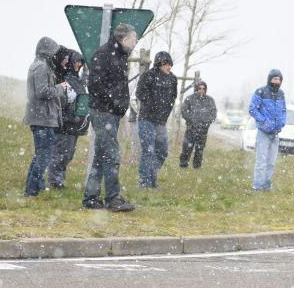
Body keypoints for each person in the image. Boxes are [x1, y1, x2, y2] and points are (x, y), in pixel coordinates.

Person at [83, 23, 137, 212]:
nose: (134, 43)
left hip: (111, 114)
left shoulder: (121, 57)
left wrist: (120, 106)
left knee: (100, 156)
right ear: (123, 39)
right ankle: (113, 198)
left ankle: (90, 197)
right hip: (103, 112)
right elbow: (95, 84)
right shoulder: (104, 54)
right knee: (112, 155)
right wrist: (114, 103)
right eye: (132, 39)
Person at [23, 37, 68, 196]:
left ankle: (34, 188)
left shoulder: (38, 65)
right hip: (43, 118)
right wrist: (60, 88)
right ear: (47, 51)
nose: (55, 55)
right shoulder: (41, 67)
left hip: (40, 117)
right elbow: (42, 92)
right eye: (54, 52)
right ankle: (32, 191)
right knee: (43, 157)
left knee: (40, 155)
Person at [135, 51, 178, 188]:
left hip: (161, 121)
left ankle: (151, 179)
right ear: (159, 64)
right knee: (148, 150)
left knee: (162, 151)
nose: (168, 67)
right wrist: (152, 104)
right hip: (147, 118)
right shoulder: (149, 76)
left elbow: (173, 97)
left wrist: (165, 112)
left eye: (170, 64)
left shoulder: (173, 79)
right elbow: (140, 92)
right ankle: (144, 182)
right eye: (166, 64)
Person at [48, 48, 89, 188]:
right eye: (76, 62)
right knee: (60, 153)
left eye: (81, 63)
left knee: (68, 154)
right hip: (65, 122)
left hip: (75, 124)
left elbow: (83, 92)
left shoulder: (79, 79)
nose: (78, 65)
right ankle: (55, 181)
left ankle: (59, 179)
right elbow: (60, 99)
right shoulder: (64, 77)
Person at [249, 68, 286, 191]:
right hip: (264, 133)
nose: (277, 81)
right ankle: (258, 186)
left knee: (271, 162)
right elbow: (252, 109)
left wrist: (282, 122)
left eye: (279, 79)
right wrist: (263, 121)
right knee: (261, 161)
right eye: (275, 78)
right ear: (270, 79)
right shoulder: (260, 92)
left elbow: (284, 111)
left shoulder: (281, 94)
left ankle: (266, 185)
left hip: (275, 134)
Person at [179, 80, 216, 169]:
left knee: (200, 148)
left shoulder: (210, 100)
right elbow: (184, 111)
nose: (201, 90)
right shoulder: (189, 99)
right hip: (191, 128)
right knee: (187, 147)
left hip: (203, 129)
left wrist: (207, 122)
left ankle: (197, 166)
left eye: (203, 88)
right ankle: (183, 165)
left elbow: (213, 113)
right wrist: (191, 120)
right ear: (196, 89)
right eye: (199, 88)